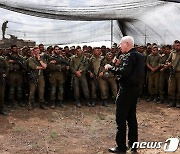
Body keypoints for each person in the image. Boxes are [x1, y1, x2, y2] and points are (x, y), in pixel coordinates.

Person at [105, 36, 145, 154]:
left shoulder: (129, 56)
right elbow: (130, 70)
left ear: (127, 44)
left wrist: (110, 67)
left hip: (126, 91)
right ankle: (133, 147)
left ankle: (121, 147)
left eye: (121, 44)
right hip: (135, 91)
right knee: (132, 119)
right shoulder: (140, 56)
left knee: (121, 119)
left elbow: (124, 72)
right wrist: (120, 64)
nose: (119, 46)